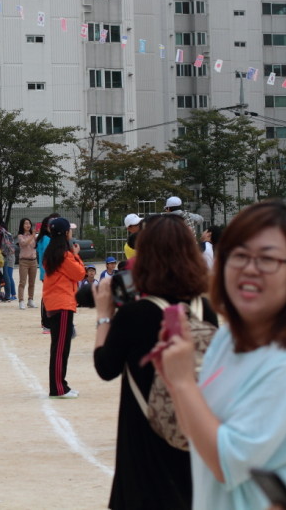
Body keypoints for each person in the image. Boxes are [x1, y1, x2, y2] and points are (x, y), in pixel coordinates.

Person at [155, 200, 286, 509]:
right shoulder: (230, 336)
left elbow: (226, 463)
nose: (249, 268)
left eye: (268, 259)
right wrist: (176, 384)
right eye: (239, 255)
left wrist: (184, 382)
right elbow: (197, 433)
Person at [93, 213, 217, 509]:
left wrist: (104, 315)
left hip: (144, 444)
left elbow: (106, 367)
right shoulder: (205, 309)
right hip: (193, 436)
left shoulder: (137, 314)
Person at [42, 217, 85, 398]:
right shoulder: (64, 255)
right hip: (62, 304)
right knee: (60, 348)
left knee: (59, 347)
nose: (71, 233)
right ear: (66, 233)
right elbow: (80, 273)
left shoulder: (52, 253)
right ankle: (58, 388)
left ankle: (61, 385)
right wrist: (76, 254)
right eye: (70, 230)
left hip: (55, 304)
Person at [16, 218, 38, 310]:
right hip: (24, 261)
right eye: (25, 223)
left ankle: (30, 299)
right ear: (22, 225)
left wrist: (36, 235)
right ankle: (21, 300)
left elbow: (35, 245)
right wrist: (33, 236)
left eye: (29, 223)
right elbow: (24, 243)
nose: (28, 225)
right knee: (22, 282)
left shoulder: (34, 236)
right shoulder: (20, 236)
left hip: (33, 260)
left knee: (32, 282)